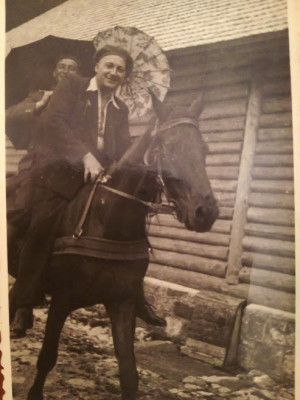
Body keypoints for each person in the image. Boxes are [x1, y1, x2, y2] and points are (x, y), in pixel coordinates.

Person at [10, 45, 166, 337]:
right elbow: (53, 123)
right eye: (109, 66)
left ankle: (136, 296)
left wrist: (139, 156)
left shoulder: (120, 108)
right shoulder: (72, 86)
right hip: (56, 170)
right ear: (96, 66)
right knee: (43, 224)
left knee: (129, 219)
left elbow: (120, 149)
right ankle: (24, 300)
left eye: (120, 69)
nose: (114, 73)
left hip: (95, 175)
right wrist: (84, 155)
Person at [6, 55, 81, 279]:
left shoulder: (80, 101)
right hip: (37, 162)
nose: (66, 71)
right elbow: (8, 115)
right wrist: (39, 104)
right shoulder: (38, 95)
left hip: (70, 165)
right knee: (22, 208)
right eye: (62, 67)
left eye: (72, 68)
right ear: (54, 72)